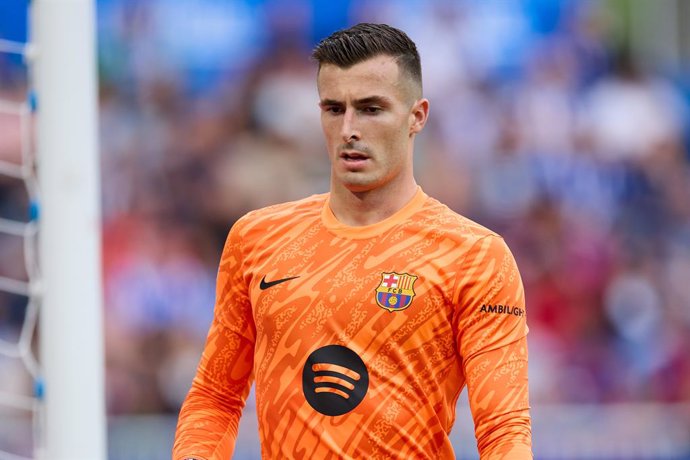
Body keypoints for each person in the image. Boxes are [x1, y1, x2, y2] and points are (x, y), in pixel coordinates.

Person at [173, 23, 532, 459]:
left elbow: (503, 429)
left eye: (370, 109)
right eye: (333, 108)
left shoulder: (474, 255)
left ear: (417, 116)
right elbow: (215, 397)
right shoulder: (256, 238)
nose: (348, 129)